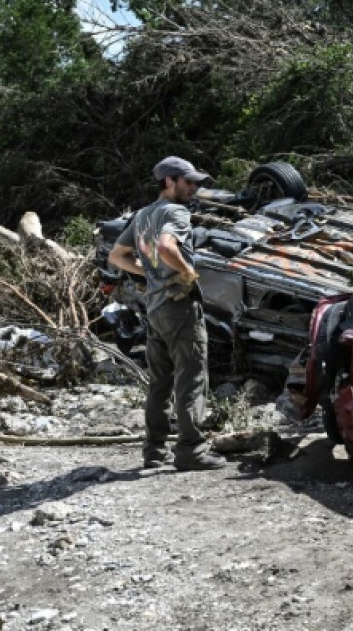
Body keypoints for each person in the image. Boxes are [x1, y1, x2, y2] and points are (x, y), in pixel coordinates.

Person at [108, 156, 226, 471]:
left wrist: (148, 276)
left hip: (155, 308)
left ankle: (155, 451)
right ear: (169, 181)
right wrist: (188, 273)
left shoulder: (143, 215)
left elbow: (117, 256)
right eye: (188, 182)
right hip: (180, 307)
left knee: (160, 382)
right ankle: (191, 451)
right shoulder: (176, 212)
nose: (193, 188)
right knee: (191, 378)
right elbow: (165, 247)